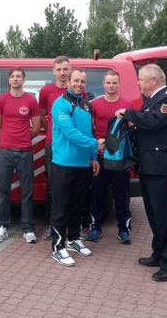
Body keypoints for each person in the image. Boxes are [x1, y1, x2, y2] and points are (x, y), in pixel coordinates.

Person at [115, 64, 167, 282]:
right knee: (154, 214)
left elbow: (153, 122)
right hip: (149, 166)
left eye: (141, 80)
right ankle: (159, 253)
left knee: (165, 216)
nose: (138, 83)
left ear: (154, 80)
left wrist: (128, 113)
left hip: (162, 168)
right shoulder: (152, 101)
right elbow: (143, 127)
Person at [50, 68, 105, 266]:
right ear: (68, 81)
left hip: (83, 164)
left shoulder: (86, 105)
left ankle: (73, 239)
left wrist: (93, 156)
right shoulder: (60, 104)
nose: (79, 84)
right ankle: (58, 247)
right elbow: (70, 133)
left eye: (82, 81)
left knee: (76, 206)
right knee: (60, 208)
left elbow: (90, 132)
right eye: (76, 80)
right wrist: (95, 145)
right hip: (64, 164)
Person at [0, 67, 41, 243]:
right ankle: (2, 226)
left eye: (18, 76)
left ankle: (28, 228)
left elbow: (36, 127)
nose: (15, 79)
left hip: (25, 152)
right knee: (3, 192)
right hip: (5, 152)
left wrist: (23, 139)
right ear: (9, 80)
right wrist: (6, 140)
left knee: (27, 192)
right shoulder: (1, 100)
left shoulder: (30, 100)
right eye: (12, 76)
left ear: (23, 80)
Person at [88, 70, 135, 244]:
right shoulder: (95, 105)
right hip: (100, 158)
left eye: (114, 83)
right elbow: (90, 132)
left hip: (120, 159)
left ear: (119, 84)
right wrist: (93, 156)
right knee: (98, 195)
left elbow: (131, 132)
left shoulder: (127, 104)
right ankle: (96, 229)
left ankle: (124, 230)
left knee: (122, 196)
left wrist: (130, 158)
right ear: (103, 83)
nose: (111, 86)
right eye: (108, 83)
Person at [38, 56, 71, 240]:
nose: (62, 73)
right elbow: (42, 116)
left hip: (72, 146)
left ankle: (70, 223)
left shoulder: (77, 90)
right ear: (53, 71)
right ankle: (51, 224)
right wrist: (53, 130)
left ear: (70, 69)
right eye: (59, 69)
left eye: (65, 69)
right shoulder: (46, 91)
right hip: (53, 144)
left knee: (71, 186)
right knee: (52, 187)